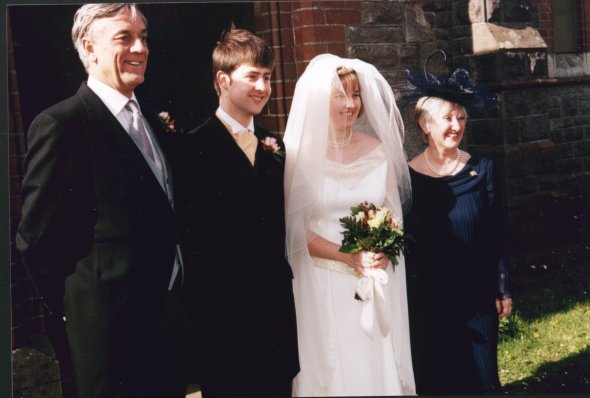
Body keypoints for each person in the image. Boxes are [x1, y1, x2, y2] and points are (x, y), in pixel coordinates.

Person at [16, 4, 189, 397]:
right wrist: (79, 308)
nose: (140, 47)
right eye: (124, 37)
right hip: (108, 336)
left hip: (164, 324)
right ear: (89, 47)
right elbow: (34, 238)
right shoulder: (64, 124)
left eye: (143, 36)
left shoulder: (150, 118)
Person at [173, 26, 299, 397]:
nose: (262, 87)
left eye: (267, 77)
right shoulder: (190, 150)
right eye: (252, 77)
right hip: (222, 323)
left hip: (273, 320)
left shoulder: (277, 148)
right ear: (223, 80)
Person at [283, 53, 416, 396]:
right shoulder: (298, 155)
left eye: (355, 94)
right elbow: (295, 229)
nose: (350, 104)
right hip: (321, 281)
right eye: (340, 95)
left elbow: (393, 213)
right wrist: (347, 256)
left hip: (372, 282)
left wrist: (383, 250)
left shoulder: (379, 150)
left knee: (372, 363)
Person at [403, 64, 513, 394]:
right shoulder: (406, 179)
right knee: (435, 378)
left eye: (461, 118)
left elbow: (497, 234)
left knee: (481, 380)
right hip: (427, 300)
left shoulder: (483, 169)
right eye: (447, 118)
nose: (456, 126)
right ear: (425, 124)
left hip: (476, 298)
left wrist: (503, 288)